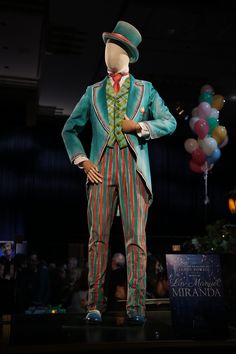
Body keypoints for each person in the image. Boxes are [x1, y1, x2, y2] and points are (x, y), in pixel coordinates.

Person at [61, 20, 177, 325]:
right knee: (96, 237)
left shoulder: (145, 90)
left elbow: (169, 122)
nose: (107, 52)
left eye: (112, 46)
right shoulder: (93, 91)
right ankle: (94, 304)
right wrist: (82, 160)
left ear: (125, 52)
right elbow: (69, 129)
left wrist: (138, 126)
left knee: (135, 239)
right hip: (100, 166)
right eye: (106, 47)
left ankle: (136, 307)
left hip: (132, 164)